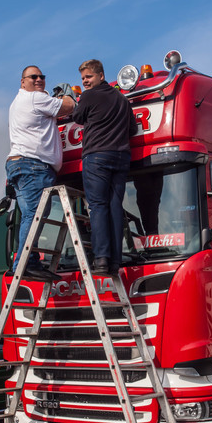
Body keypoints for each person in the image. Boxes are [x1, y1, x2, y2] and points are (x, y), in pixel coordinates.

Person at [6, 65, 75, 281]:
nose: (38, 80)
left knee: (30, 216)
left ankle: (30, 262)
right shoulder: (34, 99)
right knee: (34, 215)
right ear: (22, 81)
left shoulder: (19, 102)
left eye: (41, 77)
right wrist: (67, 93)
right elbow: (67, 107)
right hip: (33, 165)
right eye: (33, 77)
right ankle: (24, 264)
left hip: (20, 164)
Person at [72, 59, 137, 275]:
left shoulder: (89, 96)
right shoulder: (122, 100)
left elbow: (77, 117)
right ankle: (116, 261)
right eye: (83, 79)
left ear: (101, 75)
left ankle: (101, 259)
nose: (85, 82)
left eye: (88, 77)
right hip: (121, 158)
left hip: (97, 156)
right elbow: (133, 129)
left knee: (98, 206)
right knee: (115, 206)